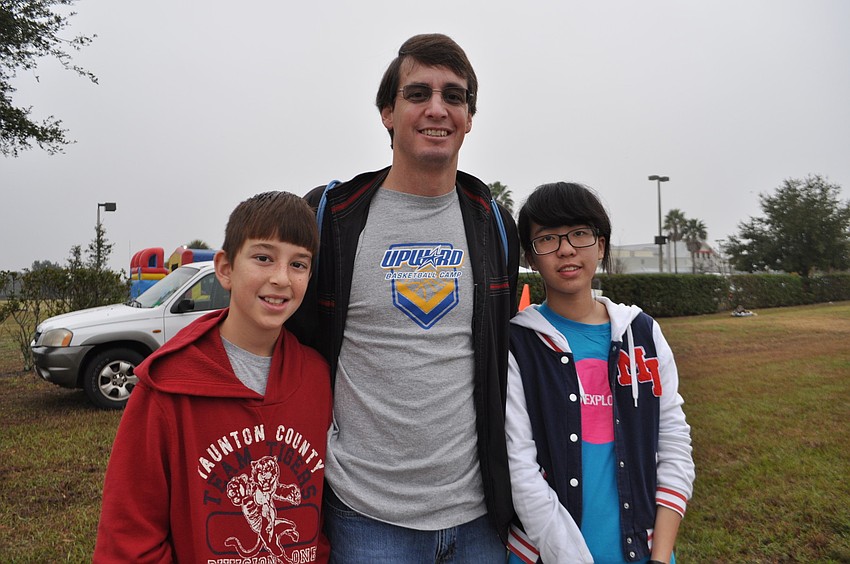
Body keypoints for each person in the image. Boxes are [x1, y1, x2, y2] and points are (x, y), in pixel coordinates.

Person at [286, 33, 519, 562]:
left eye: (453, 96)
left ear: (469, 117)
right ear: (388, 112)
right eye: (418, 94)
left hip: (480, 516)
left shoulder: (493, 224)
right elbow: (279, 337)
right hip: (366, 516)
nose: (437, 108)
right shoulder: (331, 218)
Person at [94, 192, 332, 563]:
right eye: (263, 258)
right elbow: (128, 535)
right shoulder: (167, 384)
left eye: (298, 264)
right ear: (225, 269)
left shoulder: (317, 376)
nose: (281, 278)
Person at [505, 182, 695, 564]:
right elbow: (519, 470)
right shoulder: (518, 343)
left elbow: (673, 443)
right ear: (530, 256)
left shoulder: (641, 333)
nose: (566, 249)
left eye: (580, 233)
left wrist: (659, 557)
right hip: (547, 554)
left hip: (643, 552)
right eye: (547, 239)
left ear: (602, 245)